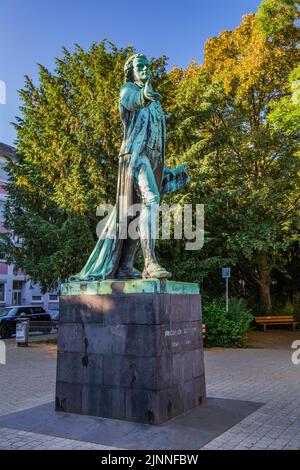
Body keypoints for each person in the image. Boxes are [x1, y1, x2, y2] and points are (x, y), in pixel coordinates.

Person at [73, 54, 189, 281]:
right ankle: (150, 263)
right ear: (131, 71)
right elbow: (134, 100)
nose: (144, 69)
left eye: (147, 66)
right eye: (139, 66)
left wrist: (167, 171)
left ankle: (126, 266)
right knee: (151, 201)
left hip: (152, 160)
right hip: (134, 158)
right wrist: (144, 94)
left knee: (134, 215)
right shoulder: (128, 90)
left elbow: (155, 136)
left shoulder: (156, 103)